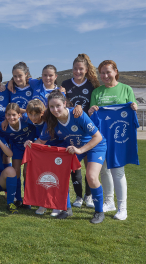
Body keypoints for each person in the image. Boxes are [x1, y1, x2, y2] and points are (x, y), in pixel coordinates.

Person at [28, 90, 106, 223]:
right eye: (51, 107)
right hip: (75, 148)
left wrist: (80, 150)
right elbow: (41, 141)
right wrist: (30, 145)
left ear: (65, 104)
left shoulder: (78, 115)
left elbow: (97, 137)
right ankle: (67, 209)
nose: (55, 109)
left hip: (95, 146)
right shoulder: (51, 121)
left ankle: (99, 212)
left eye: (58, 105)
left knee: (91, 177)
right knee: (60, 175)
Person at [88, 60, 138, 221]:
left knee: (118, 171)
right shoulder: (97, 92)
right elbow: (91, 118)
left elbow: (133, 109)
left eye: (108, 72)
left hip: (119, 138)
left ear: (116, 71)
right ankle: (109, 201)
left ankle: (123, 208)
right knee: (103, 170)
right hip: (100, 138)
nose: (105, 76)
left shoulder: (126, 89)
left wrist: (134, 107)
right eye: (102, 73)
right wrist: (91, 110)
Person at [61, 53, 100, 209]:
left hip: (88, 129)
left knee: (89, 165)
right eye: (75, 69)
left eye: (80, 69)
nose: (77, 72)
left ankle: (88, 196)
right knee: (75, 165)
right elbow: (63, 103)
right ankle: (78, 196)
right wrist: (73, 106)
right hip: (71, 129)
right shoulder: (65, 83)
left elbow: (96, 103)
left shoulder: (92, 85)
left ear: (86, 70)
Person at [0, 103, 37, 209]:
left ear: (19, 115)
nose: (11, 117)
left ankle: (28, 199)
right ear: (5, 115)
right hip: (17, 148)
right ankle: (18, 199)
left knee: (27, 172)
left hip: (30, 147)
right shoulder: (2, 126)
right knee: (16, 172)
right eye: (9, 115)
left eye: (14, 115)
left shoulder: (27, 120)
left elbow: (38, 124)